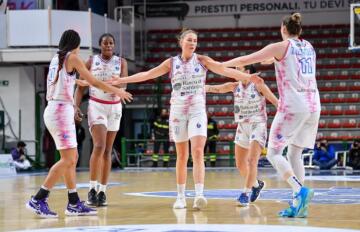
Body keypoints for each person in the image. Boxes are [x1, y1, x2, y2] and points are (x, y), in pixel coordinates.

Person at [107, 28, 262, 210]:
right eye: (189, 40)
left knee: (197, 152)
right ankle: (180, 197)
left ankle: (199, 195)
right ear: (181, 42)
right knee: (182, 155)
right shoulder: (171, 63)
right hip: (178, 112)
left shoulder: (202, 60)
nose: (193, 43)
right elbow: (147, 74)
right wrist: (121, 80)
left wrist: (246, 76)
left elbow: (222, 69)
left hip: (197, 111)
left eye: (195, 40)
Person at [222, 13, 320, 217]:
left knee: (275, 153)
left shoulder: (280, 46)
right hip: (313, 105)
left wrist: (219, 65)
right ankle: (299, 207)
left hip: (293, 105)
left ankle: (299, 190)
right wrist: (271, 60)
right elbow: (279, 59)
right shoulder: (308, 46)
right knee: (294, 153)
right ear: (299, 30)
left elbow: (245, 59)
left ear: (282, 29)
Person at [26, 29, 132, 218]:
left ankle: (73, 202)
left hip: (57, 109)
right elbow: (93, 81)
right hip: (59, 111)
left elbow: (81, 82)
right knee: (68, 159)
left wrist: (76, 101)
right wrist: (120, 91)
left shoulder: (56, 58)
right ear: (75, 44)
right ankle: (38, 198)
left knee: (72, 158)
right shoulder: (72, 57)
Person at [206, 65, 278, 206]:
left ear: (248, 72)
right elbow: (215, 88)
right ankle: (257, 185)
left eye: (239, 69)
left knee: (252, 161)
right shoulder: (234, 86)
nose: (235, 71)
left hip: (257, 124)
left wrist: (283, 110)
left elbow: (274, 100)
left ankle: (245, 193)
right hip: (242, 126)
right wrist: (199, 88)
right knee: (240, 164)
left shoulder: (258, 84)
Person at [74, 33, 128, 207]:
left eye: (111, 43)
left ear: (114, 45)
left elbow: (124, 85)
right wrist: (76, 106)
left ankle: (103, 191)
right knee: (99, 145)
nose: (108, 46)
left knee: (108, 150)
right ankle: (91, 189)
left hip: (115, 106)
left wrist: (115, 85)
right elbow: (80, 87)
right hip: (97, 105)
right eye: (105, 43)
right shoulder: (91, 61)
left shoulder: (122, 62)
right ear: (100, 45)